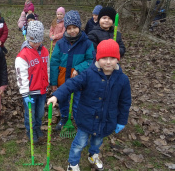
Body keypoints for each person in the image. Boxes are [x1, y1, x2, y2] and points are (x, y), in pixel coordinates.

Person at [47, 39, 132, 171]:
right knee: (79, 143)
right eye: (104, 58)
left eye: (112, 58)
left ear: (118, 59)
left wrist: (121, 120)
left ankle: (93, 155)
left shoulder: (123, 79)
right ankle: (73, 163)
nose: (108, 62)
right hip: (86, 118)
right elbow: (71, 84)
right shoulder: (88, 74)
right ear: (98, 59)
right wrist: (57, 95)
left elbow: (125, 102)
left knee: (97, 141)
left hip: (106, 120)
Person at [50, 10, 94, 130]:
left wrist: (79, 68)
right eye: (69, 28)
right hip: (63, 80)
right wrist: (54, 82)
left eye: (74, 27)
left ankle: (79, 122)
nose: (72, 30)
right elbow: (54, 63)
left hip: (79, 80)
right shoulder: (60, 44)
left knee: (77, 103)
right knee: (63, 102)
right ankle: (64, 118)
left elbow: (91, 60)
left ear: (79, 27)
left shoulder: (87, 43)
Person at [15, 21, 49, 143]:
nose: (36, 44)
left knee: (39, 113)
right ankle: (30, 131)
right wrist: (25, 93)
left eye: (39, 41)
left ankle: (37, 128)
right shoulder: (23, 55)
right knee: (31, 115)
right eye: (34, 41)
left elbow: (47, 68)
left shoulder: (45, 51)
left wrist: (47, 81)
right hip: (30, 92)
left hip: (42, 89)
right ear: (28, 38)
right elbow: (21, 76)